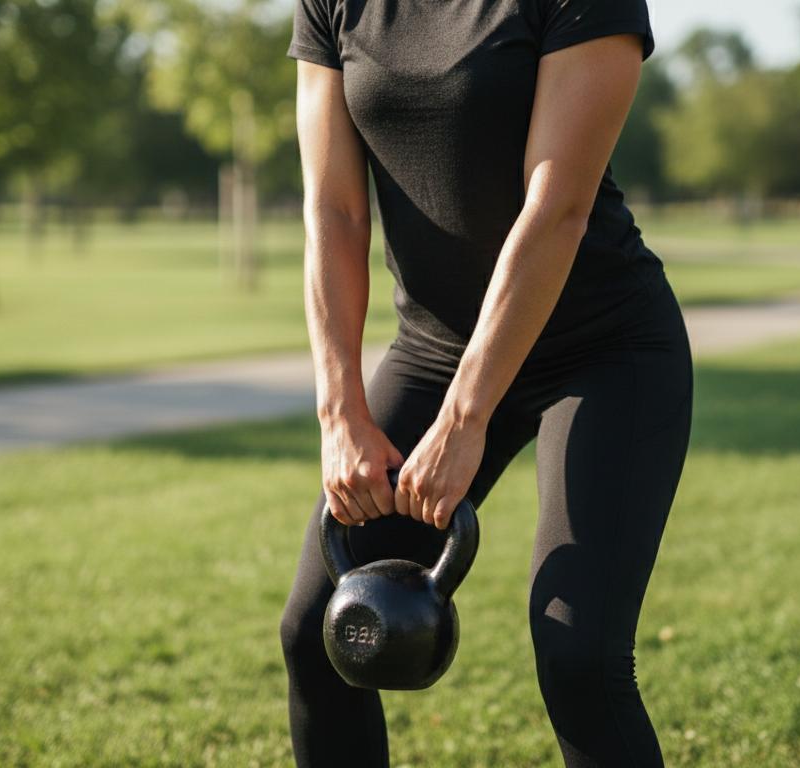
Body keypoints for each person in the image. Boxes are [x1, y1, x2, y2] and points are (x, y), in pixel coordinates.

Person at [278, 0, 693, 765]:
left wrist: (466, 418)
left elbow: (557, 208)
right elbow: (333, 211)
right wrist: (340, 413)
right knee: (321, 632)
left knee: (580, 656)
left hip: (603, 350)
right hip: (435, 345)